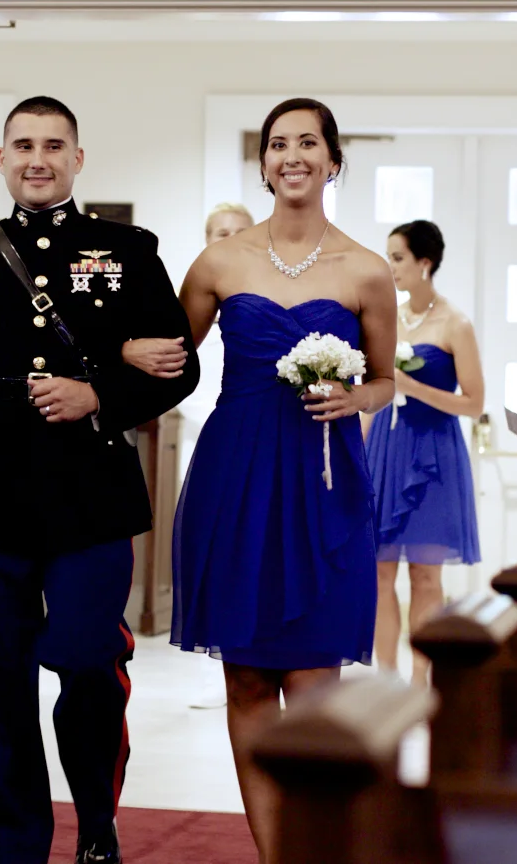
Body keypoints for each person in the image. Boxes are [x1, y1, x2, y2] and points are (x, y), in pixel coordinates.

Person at [0, 96, 199, 864]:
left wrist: (99, 394)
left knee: (87, 657)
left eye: (53, 145)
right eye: (23, 145)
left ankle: (95, 816)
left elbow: (179, 365)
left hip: (91, 490)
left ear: (76, 159)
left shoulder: (124, 250)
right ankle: (11, 848)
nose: (37, 159)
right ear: (1, 158)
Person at [169, 98, 396, 862]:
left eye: (306, 142)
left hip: (324, 484)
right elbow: (171, 360)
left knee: (314, 684)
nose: (290, 154)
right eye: (276, 143)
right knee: (245, 681)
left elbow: (384, 380)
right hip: (233, 479)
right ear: (263, 163)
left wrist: (355, 397)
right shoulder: (218, 263)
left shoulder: (366, 270)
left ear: (332, 160)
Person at [122, 201, 256, 711]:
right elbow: (173, 353)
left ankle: (260, 654)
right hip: (206, 431)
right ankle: (221, 658)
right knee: (218, 549)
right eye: (219, 232)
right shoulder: (198, 288)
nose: (228, 238)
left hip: (258, 432)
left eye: (238, 231)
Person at [362, 220, 483, 685]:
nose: (390, 266)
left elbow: (474, 403)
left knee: (426, 578)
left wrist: (412, 387)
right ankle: (386, 680)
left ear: (424, 263)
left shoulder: (455, 323)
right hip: (386, 451)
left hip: (434, 454)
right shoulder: (387, 318)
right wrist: (360, 455)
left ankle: (420, 684)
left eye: (397, 258)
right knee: (378, 574)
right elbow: (373, 393)